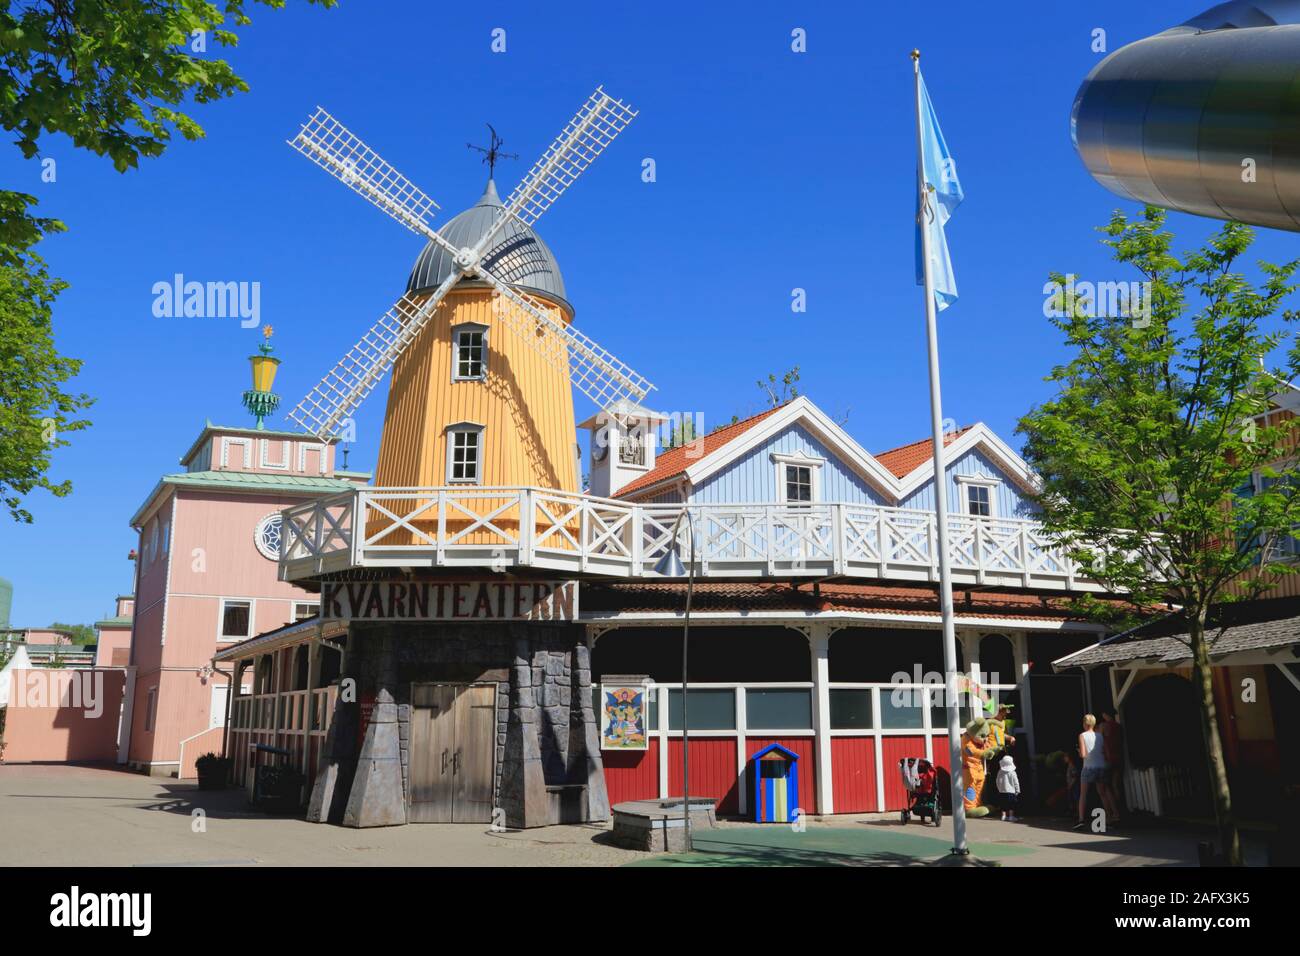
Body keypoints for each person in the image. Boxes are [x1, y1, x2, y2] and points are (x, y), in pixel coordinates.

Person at [1075, 713, 1117, 830]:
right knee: (1103, 793)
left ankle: (1081, 820)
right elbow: (1106, 753)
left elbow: (1083, 754)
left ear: (1084, 723)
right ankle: (1110, 818)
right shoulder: (1100, 736)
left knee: (1083, 794)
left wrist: (1079, 752)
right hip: (1101, 767)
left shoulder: (1082, 736)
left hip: (1088, 768)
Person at [1100, 710, 1126, 817]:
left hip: (1108, 759)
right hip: (1119, 758)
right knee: (1115, 785)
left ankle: (1114, 813)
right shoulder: (1119, 726)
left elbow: (1099, 742)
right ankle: (1121, 808)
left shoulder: (1103, 726)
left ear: (1105, 715)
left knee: (1106, 788)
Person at [995, 754, 1021, 822]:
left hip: (1002, 791)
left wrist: (999, 788)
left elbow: (997, 781)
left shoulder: (1000, 772)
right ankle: (1011, 816)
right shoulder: (1013, 772)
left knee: (1003, 805)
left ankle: (1003, 816)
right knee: (1011, 804)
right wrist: (1017, 790)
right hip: (1011, 792)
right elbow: (1016, 782)